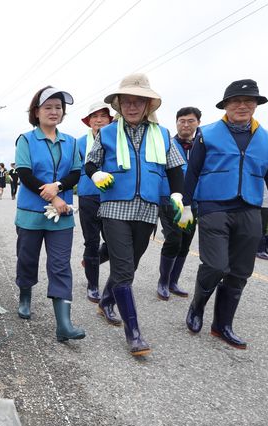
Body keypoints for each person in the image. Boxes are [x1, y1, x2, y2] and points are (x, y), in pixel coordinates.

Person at [181, 79, 268, 349]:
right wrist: (185, 204)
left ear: (256, 105)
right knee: (216, 265)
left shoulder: (267, 139)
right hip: (213, 206)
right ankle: (197, 307)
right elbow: (193, 170)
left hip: (249, 209)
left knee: (241, 271)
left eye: (249, 101)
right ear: (226, 105)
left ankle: (222, 325)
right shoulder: (206, 133)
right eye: (236, 101)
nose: (242, 106)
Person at [84, 73, 186, 356]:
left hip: (146, 210)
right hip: (115, 207)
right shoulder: (106, 133)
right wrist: (98, 174)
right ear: (118, 104)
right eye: (126, 101)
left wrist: (178, 195)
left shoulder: (162, 134)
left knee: (130, 265)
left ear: (147, 105)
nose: (131, 106)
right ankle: (134, 334)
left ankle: (106, 300)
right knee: (124, 270)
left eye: (137, 101)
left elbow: (175, 170)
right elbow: (90, 164)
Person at [14, 86, 84, 342]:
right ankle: (25, 294)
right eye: (48, 107)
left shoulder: (72, 141)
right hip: (31, 214)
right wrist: (53, 196)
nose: (54, 112)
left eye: (58, 108)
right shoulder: (26, 140)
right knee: (27, 258)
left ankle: (63, 324)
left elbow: (76, 172)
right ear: (36, 111)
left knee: (60, 265)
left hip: (62, 216)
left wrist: (60, 187)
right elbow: (25, 173)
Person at [156, 107, 201, 300]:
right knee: (173, 240)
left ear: (198, 123)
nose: (185, 124)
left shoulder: (202, 146)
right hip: (169, 200)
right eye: (181, 120)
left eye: (190, 121)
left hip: (194, 203)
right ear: (176, 123)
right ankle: (163, 281)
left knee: (185, 244)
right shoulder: (168, 144)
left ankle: (174, 281)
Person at [76, 102, 115, 314]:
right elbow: (72, 168)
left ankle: (92, 261)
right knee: (91, 240)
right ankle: (93, 285)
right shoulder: (80, 143)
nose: (99, 120)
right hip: (88, 194)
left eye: (103, 116)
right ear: (89, 121)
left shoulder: (116, 139)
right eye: (94, 116)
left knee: (113, 241)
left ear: (110, 120)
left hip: (112, 195)